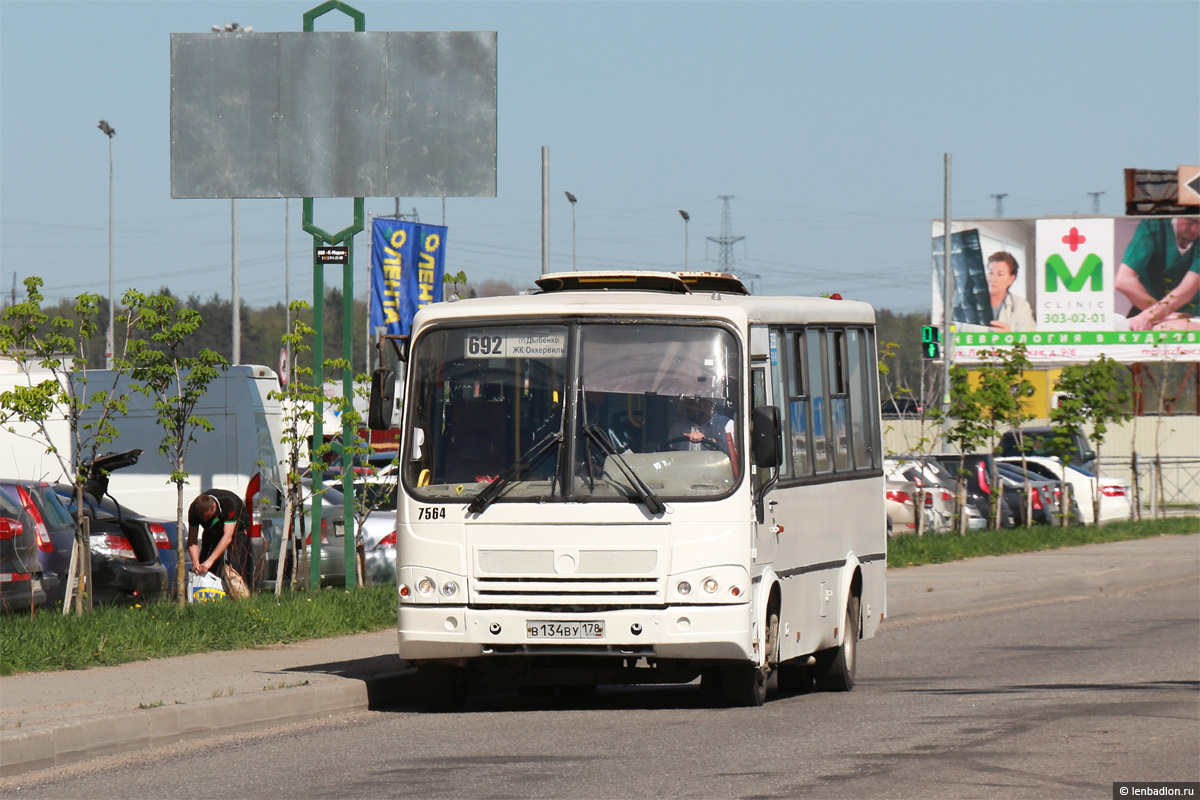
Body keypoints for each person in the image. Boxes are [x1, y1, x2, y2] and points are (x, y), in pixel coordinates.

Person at [1115, 216, 1200, 331]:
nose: (1195, 228)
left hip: (1189, 314)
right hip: (1146, 309)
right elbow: (1123, 281)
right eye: (1192, 221)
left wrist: (1158, 315)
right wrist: (1160, 314)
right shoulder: (1153, 225)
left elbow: (1188, 289)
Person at [187, 489, 254, 598]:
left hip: (238, 529)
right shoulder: (194, 511)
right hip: (212, 530)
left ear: (214, 506)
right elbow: (192, 540)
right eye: (202, 519)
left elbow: (227, 537)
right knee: (205, 560)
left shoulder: (228, 504)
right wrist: (196, 562)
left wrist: (210, 561)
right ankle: (212, 595)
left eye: (208, 517)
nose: (205, 520)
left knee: (233, 563)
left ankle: (241, 597)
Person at [985, 252, 1036, 332]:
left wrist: (1010, 336)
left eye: (1000, 274)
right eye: (991, 273)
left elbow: (1030, 339)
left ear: (1011, 279)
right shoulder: (967, 302)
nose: (993, 279)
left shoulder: (1021, 305)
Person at [668, 395, 736, 455]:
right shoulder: (679, 427)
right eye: (686, 403)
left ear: (705, 405)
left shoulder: (726, 425)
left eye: (691, 403)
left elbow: (729, 453)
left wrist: (706, 440)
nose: (686, 407)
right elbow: (670, 454)